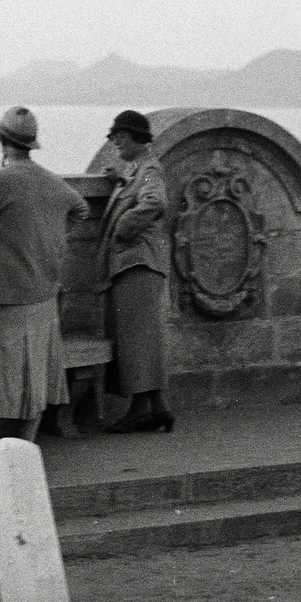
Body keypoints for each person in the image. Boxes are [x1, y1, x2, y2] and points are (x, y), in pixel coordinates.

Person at [0, 105, 91, 477]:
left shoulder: (4, 180)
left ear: (1, 141)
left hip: (3, 294)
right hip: (43, 294)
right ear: (32, 144)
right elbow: (80, 208)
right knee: (36, 379)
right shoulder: (51, 181)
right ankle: (26, 451)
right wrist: (55, 240)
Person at [96, 110, 174, 433]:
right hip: (139, 264)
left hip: (138, 263)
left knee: (136, 339)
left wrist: (123, 228)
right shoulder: (140, 170)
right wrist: (121, 180)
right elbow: (140, 190)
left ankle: (140, 410)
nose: (114, 144)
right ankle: (156, 408)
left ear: (129, 137)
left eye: (117, 139)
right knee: (142, 338)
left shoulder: (150, 169)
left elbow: (154, 202)